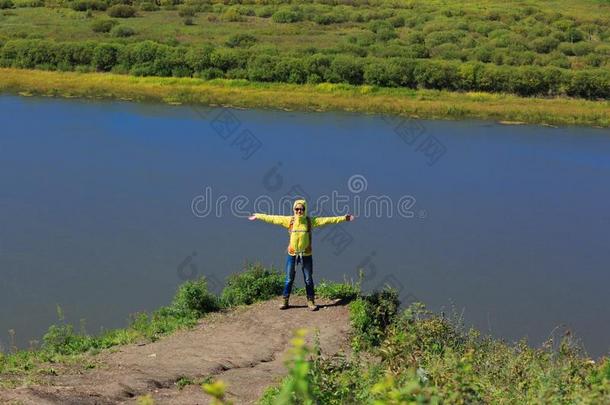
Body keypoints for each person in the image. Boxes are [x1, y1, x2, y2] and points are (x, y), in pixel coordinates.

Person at [248, 199, 354, 311]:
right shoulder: (290, 221)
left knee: (308, 279)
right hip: (292, 254)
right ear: (294, 210)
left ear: (305, 209)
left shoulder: (310, 221)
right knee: (289, 279)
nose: (299, 211)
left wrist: (344, 218)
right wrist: (258, 216)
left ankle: (311, 301)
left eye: (301, 209)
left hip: (306, 255)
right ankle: (285, 301)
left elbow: (327, 220)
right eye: (297, 209)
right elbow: (273, 218)